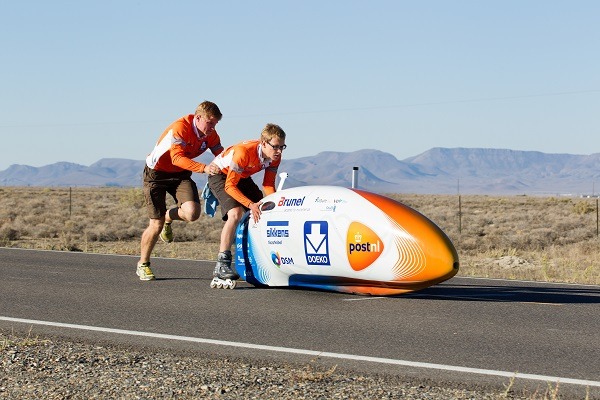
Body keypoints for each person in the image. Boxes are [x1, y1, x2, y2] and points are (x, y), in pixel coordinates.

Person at [136, 101, 224, 281]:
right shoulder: (181, 128)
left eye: (215, 124)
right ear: (198, 118)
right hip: (156, 174)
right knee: (156, 224)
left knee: (192, 213)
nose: (212, 128)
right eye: (210, 123)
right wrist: (204, 168)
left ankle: (168, 216)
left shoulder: (211, 135)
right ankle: (143, 264)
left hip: (180, 175)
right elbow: (177, 158)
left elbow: (221, 155)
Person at [207, 123, 287, 284]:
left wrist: (277, 204)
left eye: (282, 147)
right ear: (264, 143)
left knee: (265, 209)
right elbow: (230, 186)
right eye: (276, 147)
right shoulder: (244, 153)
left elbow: (268, 185)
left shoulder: (274, 158)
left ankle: (258, 256)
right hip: (222, 177)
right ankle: (222, 263)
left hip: (242, 177)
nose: (279, 151)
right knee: (235, 213)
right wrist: (250, 204)